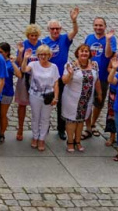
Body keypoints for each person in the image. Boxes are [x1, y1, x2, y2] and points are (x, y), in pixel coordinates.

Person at [40, 8, 79, 140]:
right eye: (53, 29)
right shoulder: (44, 42)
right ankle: (44, 127)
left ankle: (61, 129)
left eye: (57, 28)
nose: (55, 31)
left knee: (61, 103)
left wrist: (74, 21)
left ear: (60, 29)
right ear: (48, 30)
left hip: (61, 77)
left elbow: (75, 32)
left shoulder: (64, 39)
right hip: (48, 76)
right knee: (46, 102)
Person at [21, 45, 60, 152]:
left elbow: (56, 83)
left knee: (45, 118)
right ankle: (35, 136)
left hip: (48, 96)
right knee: (35, 117)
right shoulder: (33, 64)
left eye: (45, 54)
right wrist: (25, 58)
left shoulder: (54, 67)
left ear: (49, 55)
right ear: (37, 55)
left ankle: (42, 138)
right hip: (35, 95)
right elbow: (24, 69)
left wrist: (56, 97)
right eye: (41, 54)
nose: (43, 56)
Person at [83, 17, 117, 139]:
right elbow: (84, 54)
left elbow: (108, 55)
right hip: (89, 75)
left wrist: (107, 40)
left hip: (102, 76)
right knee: (87, 102)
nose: (98, 27)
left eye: (100, 25)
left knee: (98, 102)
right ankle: (87, 127)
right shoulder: (89, 38)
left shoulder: (111, 39)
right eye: (96, 25)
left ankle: (93, 124)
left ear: (105, 26)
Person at [61, 44, 97, 153]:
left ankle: (78, 141)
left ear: (89, 54)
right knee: (72, 120)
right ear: (77, 53)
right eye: (82, 51)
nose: (84, 53)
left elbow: (97, 80)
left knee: (81, 120)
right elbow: (64, 81)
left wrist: (99, 94)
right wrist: (70, 74)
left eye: (86, 51)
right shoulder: (70, 65)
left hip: (86, 99)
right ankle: (70, 141)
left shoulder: (94, 65)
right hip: (72, 98)